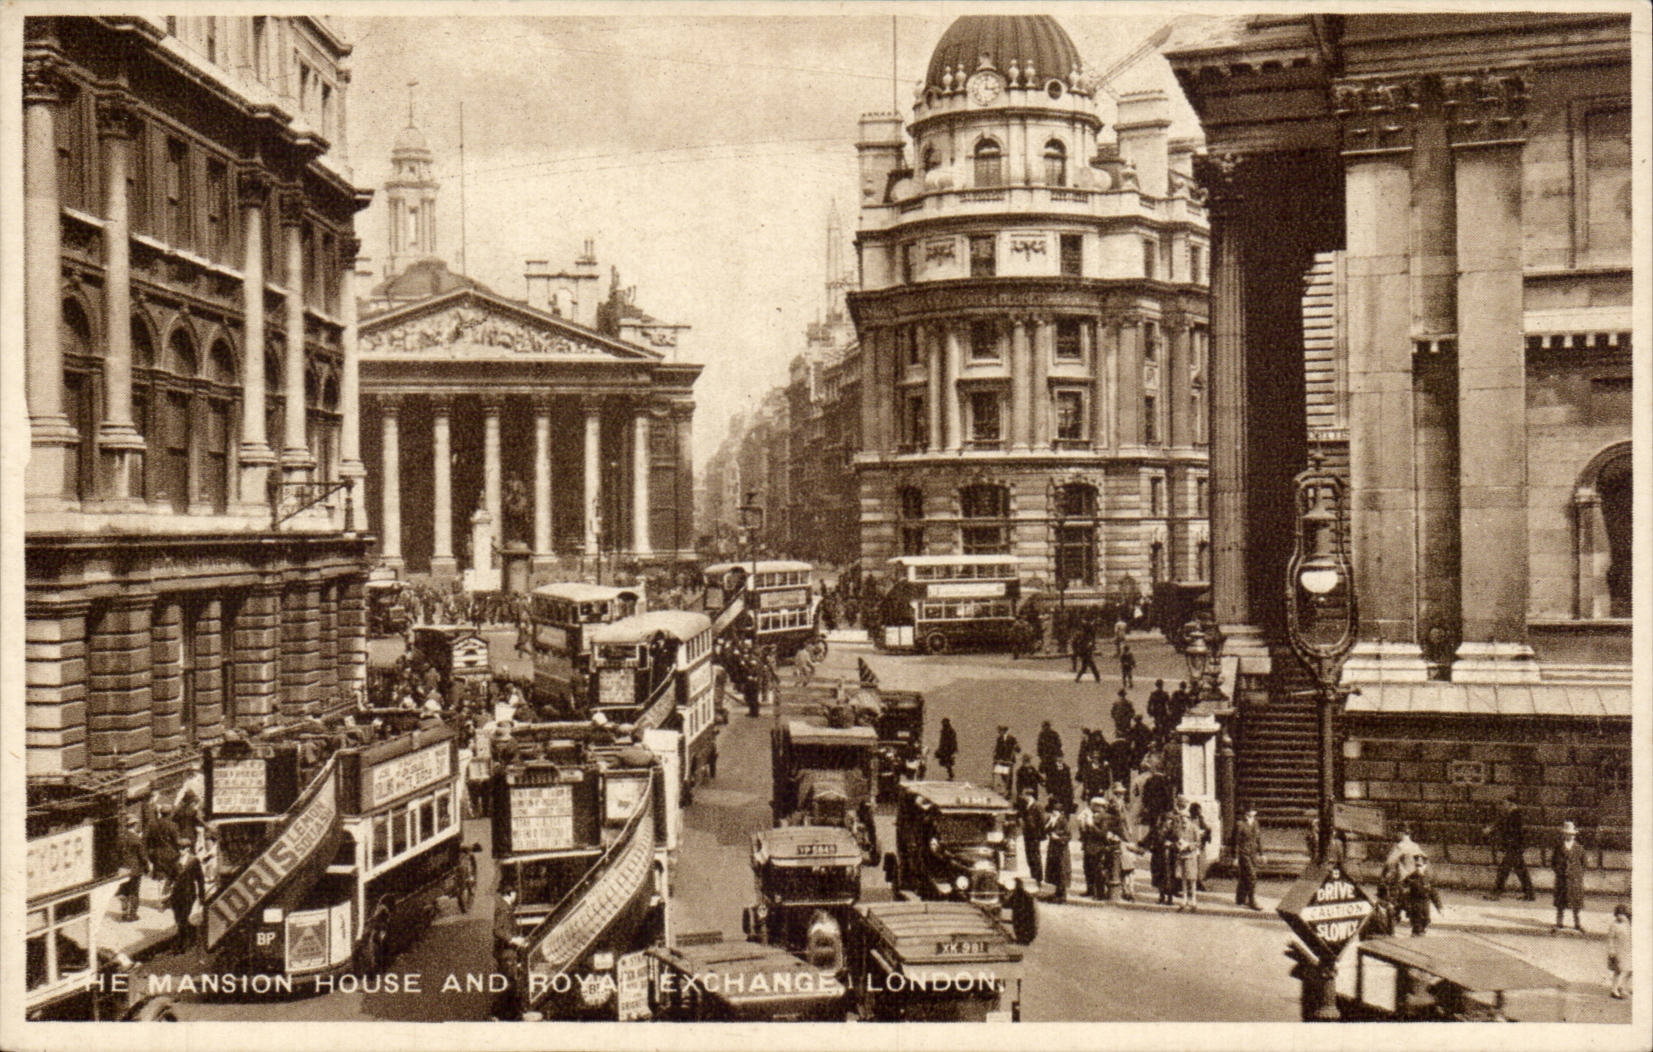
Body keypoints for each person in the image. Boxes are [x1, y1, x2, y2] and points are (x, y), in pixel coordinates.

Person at [1483, 795, 1535, 901]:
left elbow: (1506, 827)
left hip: (1514, 847)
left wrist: (1491, 829)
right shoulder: (1513, 814)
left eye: (1505, 803)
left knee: (1504, 870)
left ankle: (1496, 893)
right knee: (1521, 870)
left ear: (1511, 804)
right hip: (1516, 847)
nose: (1503, 805)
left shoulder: (1515, 815)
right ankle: (1530, 894)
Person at [169, 842, 207, 953]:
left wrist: (201, 895)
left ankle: (186, 943)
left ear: (188, 849)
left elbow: (200, 879)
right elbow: (171, 876)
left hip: (188, 893)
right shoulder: (175, 860)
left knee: (185, 917)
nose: (180, 851)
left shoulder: (194, 861)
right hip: (176, 894)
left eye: (183, 848)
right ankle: (188, 937)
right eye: (179, 848)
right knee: (178, 918)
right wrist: (167, 887)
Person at [1551, 820, 1587, 933]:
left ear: (1574, 835)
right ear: (1564, 834)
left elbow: (1584, 864)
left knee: (1576, 904)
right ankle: (1559, 923)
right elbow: (1553, 862)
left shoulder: (1579, 848)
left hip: (1574, 880)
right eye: (1567, 834)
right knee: (1560, 904)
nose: (1569, 836)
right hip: (1562, 879)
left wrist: (1577, 875)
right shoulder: (1558, 847)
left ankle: (1577, 923)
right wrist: (1559, 872)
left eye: (1571, 834)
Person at [1400, 854, 1444, 936]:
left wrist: (1439, 907)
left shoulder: (1429, 878)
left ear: (1425, 866)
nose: (1418, 868)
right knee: (1417, 930)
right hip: (1415, 908)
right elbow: (1402, 892)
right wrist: (1406, 906)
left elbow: (1434, 894)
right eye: (1416, 866)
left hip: (1425, 908)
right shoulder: (1410, 877)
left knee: (1424, 927)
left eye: (1420, 866)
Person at [145, 801, 181, 897]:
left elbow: (149, 841)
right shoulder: (173, 825)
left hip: (158, 854)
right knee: (175, 876)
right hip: (171, 854)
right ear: (170, 813)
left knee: (161, 878)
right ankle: (170, 897)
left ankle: (161, 899)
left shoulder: (153, 825)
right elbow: (177, 841)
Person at [1233, 805, 1265, 910]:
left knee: (1244, 876)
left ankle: (1240, 898)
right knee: (1252, 876)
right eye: (1251, 811)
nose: (1253, 813)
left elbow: (1258, 838)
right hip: (1243, 853)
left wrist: (1262, 853)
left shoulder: (1255, 823)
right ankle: (1252, 900)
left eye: (1254, 811)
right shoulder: (1240, 824)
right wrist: (1236, 857)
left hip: (1253, 853)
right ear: (1246, 812)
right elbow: (1236, 842)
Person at [118, 814, 148, 922]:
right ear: (134, 825)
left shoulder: (121, 837)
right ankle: (132, 914)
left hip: (123, 868)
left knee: (124, 891)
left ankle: (124, 913)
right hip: (135, 869)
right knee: (134, 892)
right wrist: (147, 867)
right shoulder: (136, 839)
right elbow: (142, 856)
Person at [1044, 805, 1072, 903]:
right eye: (1053, 810)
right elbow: (1045, 831)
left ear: (1061, 812)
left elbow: (1068, 836)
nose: (1054, 812)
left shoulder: (1063, 821)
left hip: (1061, 850)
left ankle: (1062, 896)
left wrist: (1059, 838)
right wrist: (1049, 823)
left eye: (1056, 811)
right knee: (1055, 871)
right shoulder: (1051, 819)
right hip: (1053, 849)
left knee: (1062, 871)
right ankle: (1057, 893)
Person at [1018, 791, 1046, 887]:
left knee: (1035, 857)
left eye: (1024, 795)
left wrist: (1040, 835)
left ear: (1029, 796)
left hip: (1034, 835)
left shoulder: (1037, 806)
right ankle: (1033, 876)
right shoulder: (1027, 805)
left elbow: (1042, 821)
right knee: (1030, 856)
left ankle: (1038, 879)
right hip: (1028, 835)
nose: (1023, 797)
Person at [1608, 904, 1632, 999]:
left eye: (1623, 914)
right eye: (1619, 914)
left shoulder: (1627, 924)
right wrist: (1611, 950)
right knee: (1618, 970)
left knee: (1630, 970)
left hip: (1627, 949)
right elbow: (1610, 939)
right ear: (1616, 915)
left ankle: (1621, 986)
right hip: (1618, 950)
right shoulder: (1614, 925)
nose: (1621, 916)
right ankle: (1614, 990)